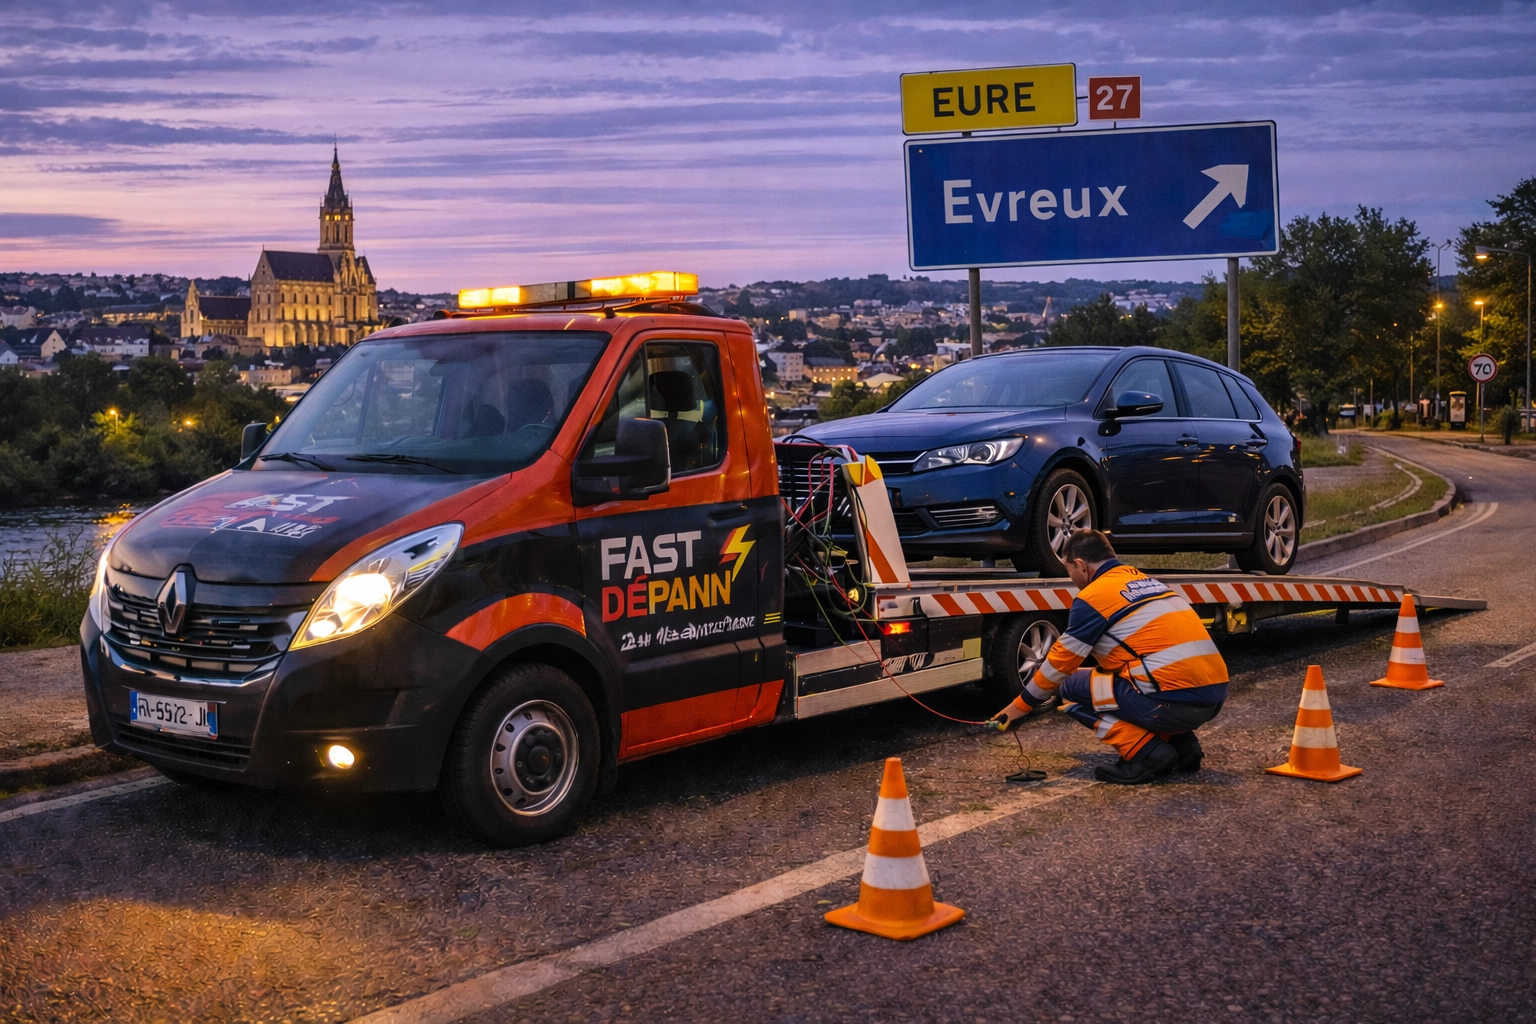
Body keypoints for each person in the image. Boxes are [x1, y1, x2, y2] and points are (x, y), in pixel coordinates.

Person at [989, 529, 1228, 784]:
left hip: (1170, 704)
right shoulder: (1148, 582)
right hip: (1213, 699)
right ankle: (1183, 746)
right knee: (1117, 679)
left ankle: (1146, 754)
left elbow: (1059, 665)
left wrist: (1019, 708)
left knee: (1069, 688)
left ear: (1080, 565)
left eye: (1069, 570)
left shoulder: (1094, 597)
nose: (1072, 579)